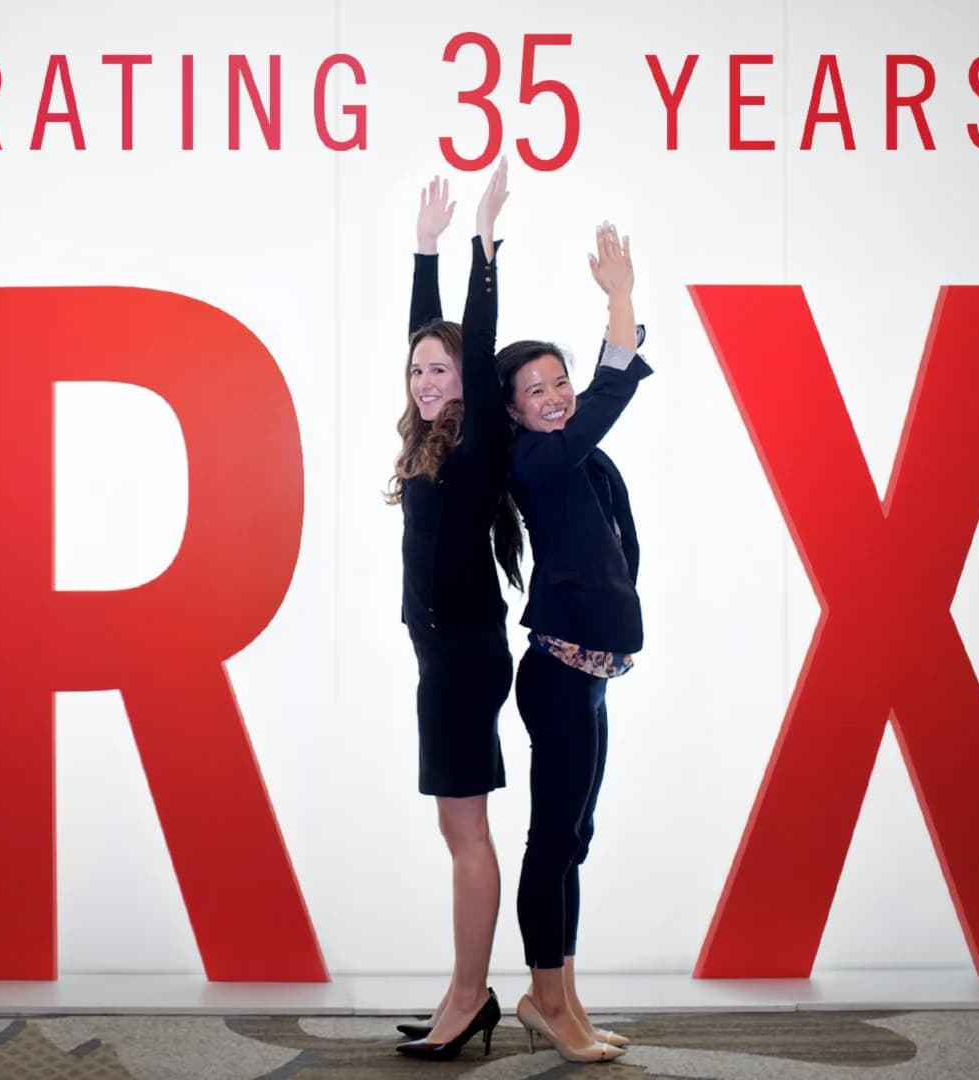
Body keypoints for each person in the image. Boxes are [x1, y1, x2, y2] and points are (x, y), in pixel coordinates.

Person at [497, 222, 650, 1065]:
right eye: (537, 390)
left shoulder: (581, 462)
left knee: (574, 841)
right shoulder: (538, 463)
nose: (556, 397)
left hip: (589, 679)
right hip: (556, 677)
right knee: (551, 840)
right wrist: (621, 302)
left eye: (560, 383)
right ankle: (545, 1001)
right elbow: (613, 391)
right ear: (514, 412)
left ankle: (565, 996)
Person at [386, 161, 522, 1062]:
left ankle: (471, 998)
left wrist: (474, 246)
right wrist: (422, 247)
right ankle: (460, 990)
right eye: (417, 370)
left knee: (465, 833)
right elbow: (425, 341)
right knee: (455, 828)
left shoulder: (471, 447)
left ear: (468, 381)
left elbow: (473, 343)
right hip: (445, 659)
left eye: (443, 369)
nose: (429, 379)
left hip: (467, 658)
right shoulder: (430, 443)